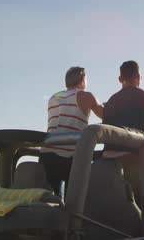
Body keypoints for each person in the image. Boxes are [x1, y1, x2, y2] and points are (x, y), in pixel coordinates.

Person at [39, 66, 103, 196]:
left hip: (47, 154)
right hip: (69, 156)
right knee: (73, 202)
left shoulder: (54, 97)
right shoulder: (85, 95)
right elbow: (105, 114)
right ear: (82, 80)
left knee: (50, 201)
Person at [103, 60, 144, 141]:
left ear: (120, 79)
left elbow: (105, 133)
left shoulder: (111, 101)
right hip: (135, 151)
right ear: (139, 77)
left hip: (108, 152)